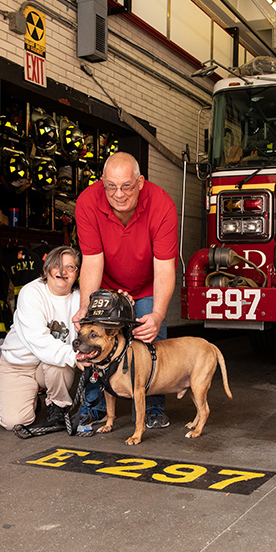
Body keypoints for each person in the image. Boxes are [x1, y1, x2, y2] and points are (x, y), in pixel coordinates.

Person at [72, 151, 178, 430]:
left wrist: (157, 314)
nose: (118, 194)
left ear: (140, 182)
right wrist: (86, 307)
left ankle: (152, 410)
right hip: (106, 285)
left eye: (127, 186)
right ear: (102, 181)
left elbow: (165, 267)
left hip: (145, 285)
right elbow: (92, 259)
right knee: (94, 341)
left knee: (148, 339)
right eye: (111, 186)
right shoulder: (87, 202)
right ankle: (92, 408)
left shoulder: (162, 204)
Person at [0, 246, 82, 436]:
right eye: (57, 266)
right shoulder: (31, 292)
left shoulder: (80, 297)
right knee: (14, 421)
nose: (62, 272)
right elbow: (39, 340)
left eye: (70, 267)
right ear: (47, 268)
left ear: (77, 273)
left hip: (48, 365)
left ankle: (58, 406)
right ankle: (29, 398)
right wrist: (76, 357)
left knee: (59, 362)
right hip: (19, 364)